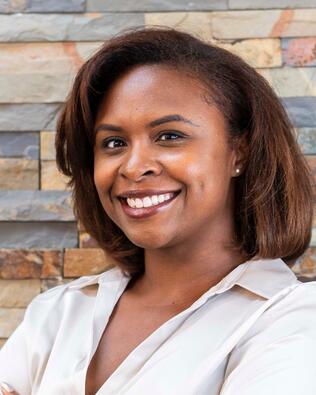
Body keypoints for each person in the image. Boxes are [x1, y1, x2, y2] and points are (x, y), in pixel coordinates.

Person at [0, 27, 315, 395]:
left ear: (239, 151)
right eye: (113, 143)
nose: (134, 167)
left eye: (169, 136)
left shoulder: (291, 317)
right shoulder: (57, 312)